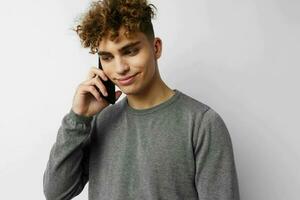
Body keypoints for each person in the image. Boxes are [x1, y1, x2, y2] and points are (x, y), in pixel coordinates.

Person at [43, 0, 240, 199]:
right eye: (107, 57)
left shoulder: (202, 123)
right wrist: (78, 118)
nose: (120, 68)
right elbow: (56, 193)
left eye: (130, 51)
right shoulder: (100, 120)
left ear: (156, 48)